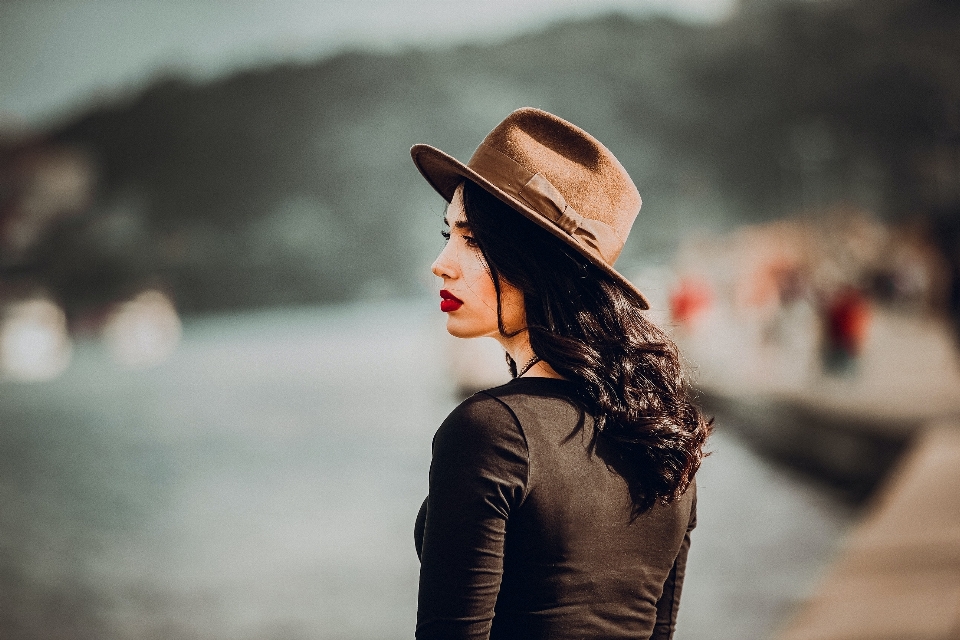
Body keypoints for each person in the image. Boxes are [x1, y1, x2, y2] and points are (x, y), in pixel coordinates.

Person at [410, 108, 711, 640]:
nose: (443, 263)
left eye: (472, 240)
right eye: (448, 235)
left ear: (534, 260)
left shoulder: (492, 432)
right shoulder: (664, 438)